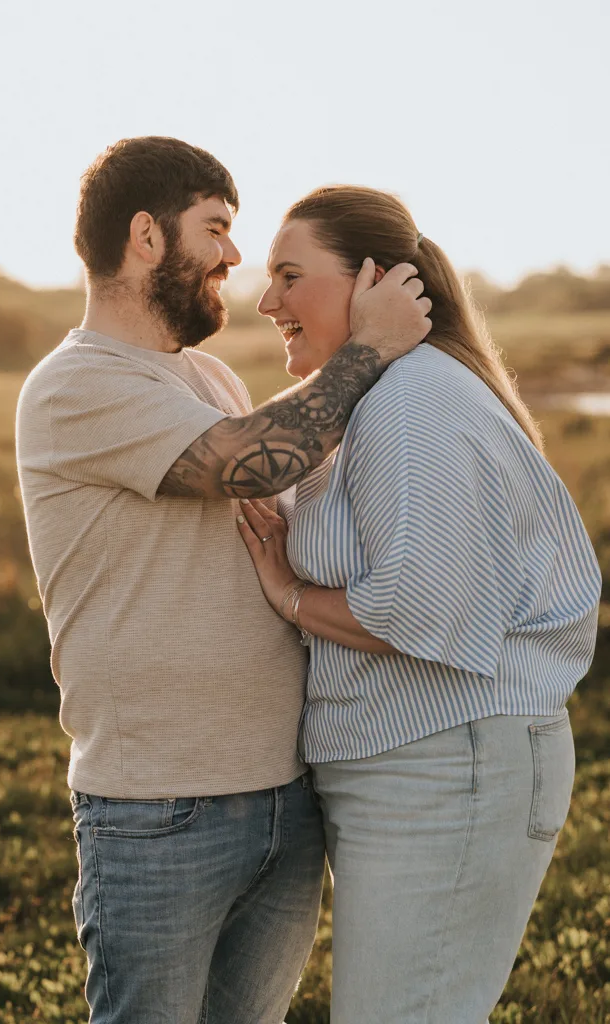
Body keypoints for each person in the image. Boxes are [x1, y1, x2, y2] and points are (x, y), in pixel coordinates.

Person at [14, 140, 431, 1023]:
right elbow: (249, 461)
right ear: (145, 236)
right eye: (216, 229)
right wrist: (368, 347)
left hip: (283, 799)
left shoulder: (210, 374)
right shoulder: (73, 386)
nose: (234, 259)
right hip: (159, 811)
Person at [238, 184, 601, 1024]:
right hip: (414, 766)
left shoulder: (414, 401)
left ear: (372, 280)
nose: (266, 301)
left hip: (447, 767)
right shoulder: (371, 399)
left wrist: (288, 594)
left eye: (290, 275)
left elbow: (420, 609)